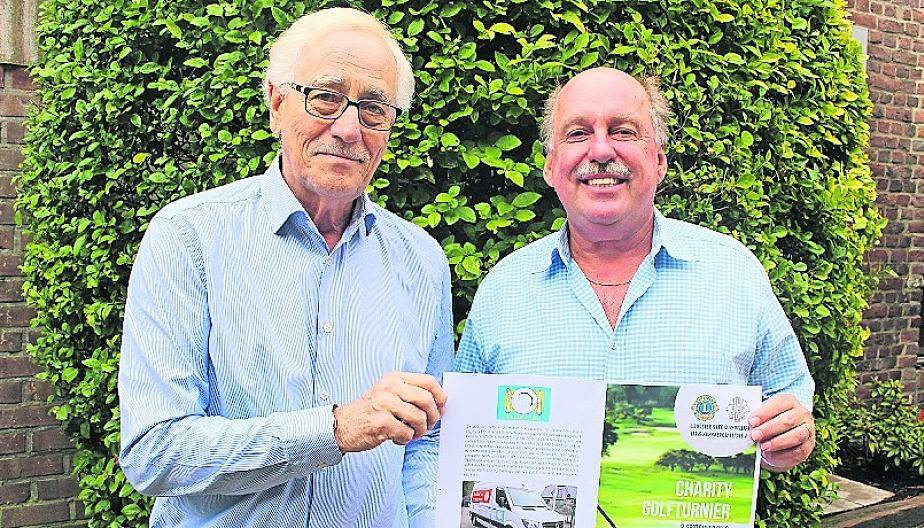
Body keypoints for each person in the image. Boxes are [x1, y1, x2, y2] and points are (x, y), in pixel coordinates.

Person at [118, 8, 453, 527]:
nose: (348, 128)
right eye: (325, 97)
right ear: (277, 105)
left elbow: (426, 443)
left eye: (374, 108)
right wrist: (332, 431)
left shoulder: (421, 260)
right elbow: (155, 451)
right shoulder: (190, 239)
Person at [453, 67, 815, 472]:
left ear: (658, 161)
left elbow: (788, 398)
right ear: (551, 167)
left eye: (623, 131)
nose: (602, 151)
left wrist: (789, 437)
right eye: (578, 133)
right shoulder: (504, 289)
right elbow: (459, 436)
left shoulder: (733, 274)